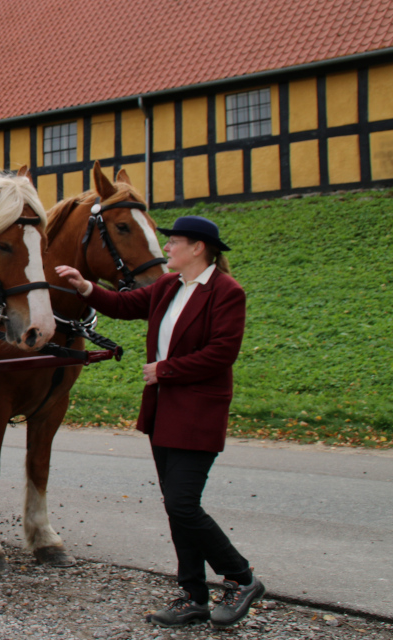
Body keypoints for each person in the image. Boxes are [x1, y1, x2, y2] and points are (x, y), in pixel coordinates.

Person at [56, 215, 264, 629]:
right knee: (176, 508)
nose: (166, 249)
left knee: (183, 504)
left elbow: (222, 352)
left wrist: (165, 370)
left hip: (198, 411)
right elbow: (125, 304)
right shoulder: (169, 286)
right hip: (163, 412)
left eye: (175, 243)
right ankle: (193, 597)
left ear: (199, 248)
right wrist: (85, 287)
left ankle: (242, 578)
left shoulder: (226, 292)